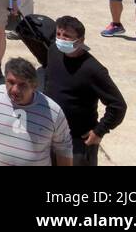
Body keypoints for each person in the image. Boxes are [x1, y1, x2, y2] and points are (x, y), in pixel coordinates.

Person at [0, 57, 72, 167]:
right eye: (11, 82)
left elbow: (63, 149)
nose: (15, 90)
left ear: (34, 86)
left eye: (22, 85)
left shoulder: (53, 112)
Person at [44, 16, 127, 167]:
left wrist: (99, 131)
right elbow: (49, 80)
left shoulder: (93, 70)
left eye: (67, 36)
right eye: (58, 35)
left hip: (77, 140)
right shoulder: (53, 51)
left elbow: (118, 105)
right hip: (50, 134)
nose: (61, 39)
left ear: (81, 40)